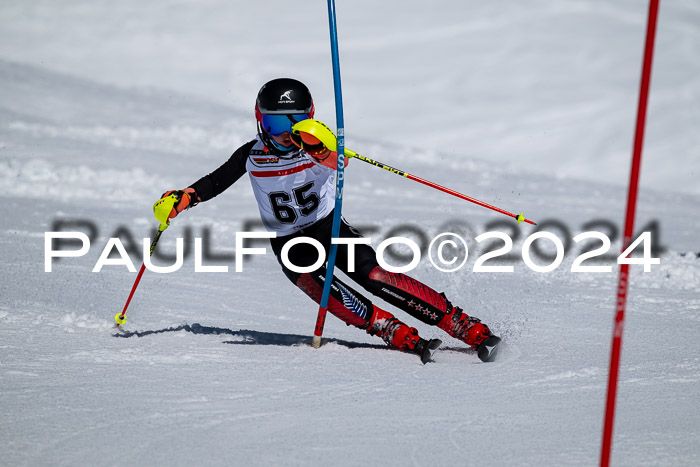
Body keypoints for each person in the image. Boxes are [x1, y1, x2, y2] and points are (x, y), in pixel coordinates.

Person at [158, 78, 501, 363]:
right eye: (276, 124)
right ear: (260, 121)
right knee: (325, 290)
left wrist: (321, 149)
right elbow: (215, 182)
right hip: (289, 240)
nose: (284, 134)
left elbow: (339, 160)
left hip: (328, 225)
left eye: (294, 124)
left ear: (308, 119)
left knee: (374, 275)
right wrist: (183, 198)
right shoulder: (252, 155)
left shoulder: (314, 142)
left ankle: (460, 323)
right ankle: (387, 327)